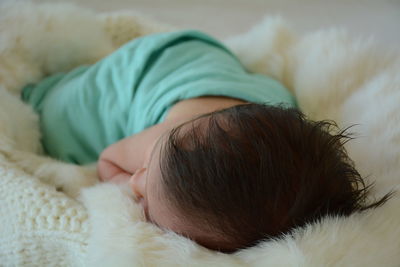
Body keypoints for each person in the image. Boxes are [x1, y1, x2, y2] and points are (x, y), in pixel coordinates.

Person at [21, 30, 393, 253]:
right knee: (51, 116)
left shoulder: (268, 133)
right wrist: (126, 186)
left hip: (213, 65)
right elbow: (109, 159)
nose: (135, 181)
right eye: (146, 173)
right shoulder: (166, 138)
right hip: (148, 68)